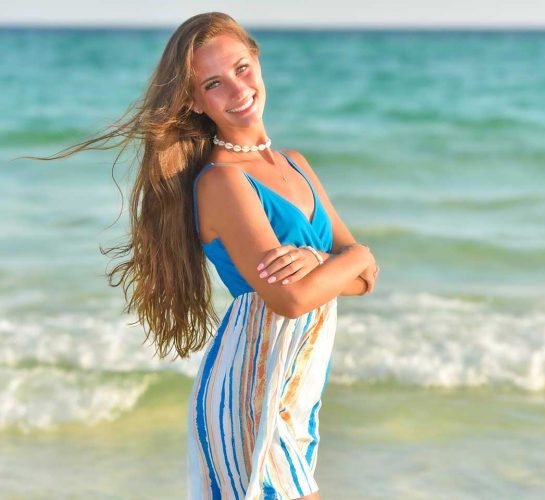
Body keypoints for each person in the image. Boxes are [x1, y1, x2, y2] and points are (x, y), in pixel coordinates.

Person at [27, 12, 379, 499]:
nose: (237, 90)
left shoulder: (296, 164)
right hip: (249, 395)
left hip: (296, 396)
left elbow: (366, 279)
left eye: (241, 68)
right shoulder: (222, 181)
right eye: (214, 84)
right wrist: (349, 256)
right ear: (195, 101)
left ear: (257, 60)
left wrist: (337, 262)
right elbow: (290, 299)